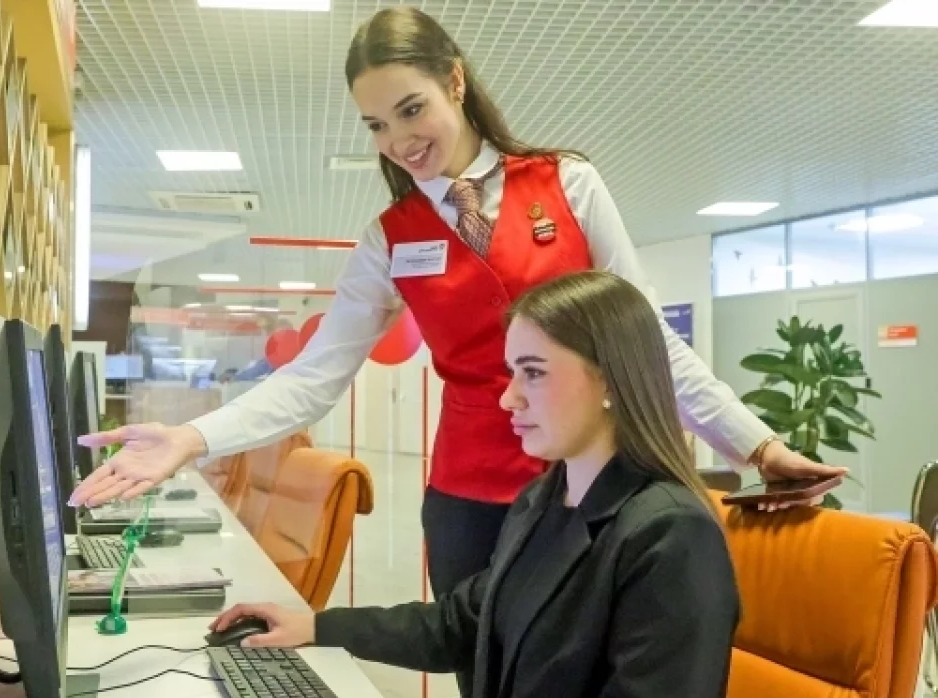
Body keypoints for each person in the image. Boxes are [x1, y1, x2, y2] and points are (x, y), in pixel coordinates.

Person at [70, 7, 841, 609]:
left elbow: (648, 342)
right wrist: (191, 438)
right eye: (377, 125)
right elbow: (313, 376)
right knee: (489, 690)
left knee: (589, 697)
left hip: (596, 485)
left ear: (457, 83)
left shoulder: (566, 184)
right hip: (469, 503)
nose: (399, 140)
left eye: (412, 109)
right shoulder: (389, 239)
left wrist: (757, 446)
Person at [210, 271, 751, 698]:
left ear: (611, 379)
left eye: (533, 373)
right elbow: (461, 623)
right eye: (512, 372)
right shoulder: (543, 500)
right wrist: (316, 625)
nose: (508, 398)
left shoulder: (671, 535)